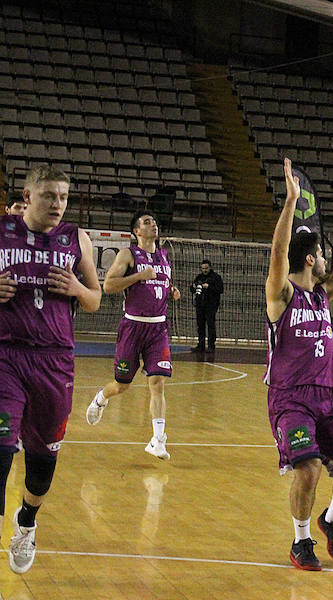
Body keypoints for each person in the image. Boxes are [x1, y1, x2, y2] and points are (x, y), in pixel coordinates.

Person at [264, 158, 333, 571]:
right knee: (306, 470)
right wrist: (290, 202)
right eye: (322, 254)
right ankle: (300, 540)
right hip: (290, 399)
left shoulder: (324, 294)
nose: (328, 259)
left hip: (330, 397)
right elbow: (277, 252)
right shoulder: (281, 295)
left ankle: (332, 520)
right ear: (310, 259)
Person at [0, 165, 102, 573]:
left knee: (42, 463)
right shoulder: (2, 232)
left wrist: (78, 289)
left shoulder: (76, 239)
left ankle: (26, 523)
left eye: (63, 196)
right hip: (6, 354)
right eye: (49, 196)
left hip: (55, 361)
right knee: (2, 450)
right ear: (28, 197)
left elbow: (95, 298)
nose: (58, 204)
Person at [85, 212, 182, 460]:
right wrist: (138, 276)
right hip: (133, 326)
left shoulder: (164, 256)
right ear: (136, 231)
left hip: (158, 328)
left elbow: (160, 282)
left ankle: (158, 440)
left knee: (158, 382)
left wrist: (170, 290)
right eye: (147, 222)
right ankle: (100, 398)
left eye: (154, 222)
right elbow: (108, 286)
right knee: (122, 384)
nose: (154, 225)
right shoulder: (128, 255)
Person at [191, 259, 224, 353]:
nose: (204, 270)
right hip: (200, 305)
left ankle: (211, 345)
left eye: (206, 268)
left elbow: (220, 289)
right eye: (202, 268)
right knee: (200, 325)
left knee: (210, 325)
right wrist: (193, 287)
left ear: (210, 267)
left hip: (211, 305)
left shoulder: (216, 277)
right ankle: (200, 345)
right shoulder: (199, 277)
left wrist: (209, 287)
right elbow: (193, 289)